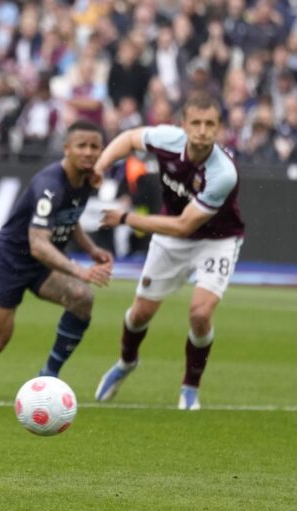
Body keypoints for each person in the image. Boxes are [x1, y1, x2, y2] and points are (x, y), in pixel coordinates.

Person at [94, 93, 245, 410]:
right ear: (183, 125)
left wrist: (126, 218)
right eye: (196, 123)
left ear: (219, 129)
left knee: (200, 315)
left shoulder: (223, 173)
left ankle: (190, 387)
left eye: (210, 124)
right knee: (140, 315)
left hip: (216, 239)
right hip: (170, 238)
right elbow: (128, 138)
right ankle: (126, 363)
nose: (202, 131)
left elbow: (183, 226)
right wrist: (102, 164)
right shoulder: (167, 139)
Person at [0, 120, 113, 398]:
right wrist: (78, 269)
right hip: (12, 260)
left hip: (42, 264)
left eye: (94, 146)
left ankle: (49, 376)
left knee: (82, 299)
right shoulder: (51, 185)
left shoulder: (86, 178)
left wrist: (91, 249)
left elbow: (69, 219)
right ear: (66, 149)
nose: (88, 152)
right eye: (81, 146)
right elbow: (38, 244)